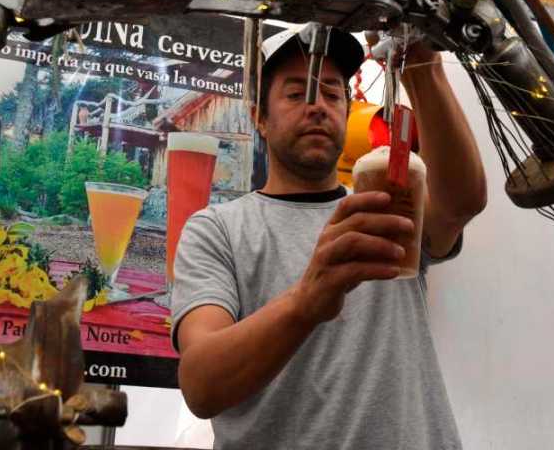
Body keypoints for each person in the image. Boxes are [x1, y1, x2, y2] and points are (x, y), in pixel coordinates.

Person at [171, 24, 487, 450]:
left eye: (333, 94)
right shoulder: (219, 230)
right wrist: (306, 301)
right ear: (259, 117)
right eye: (295, 93)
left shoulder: (387, 206)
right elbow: (201, 384)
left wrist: (422, 65)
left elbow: (461, 203)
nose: (317, 106)